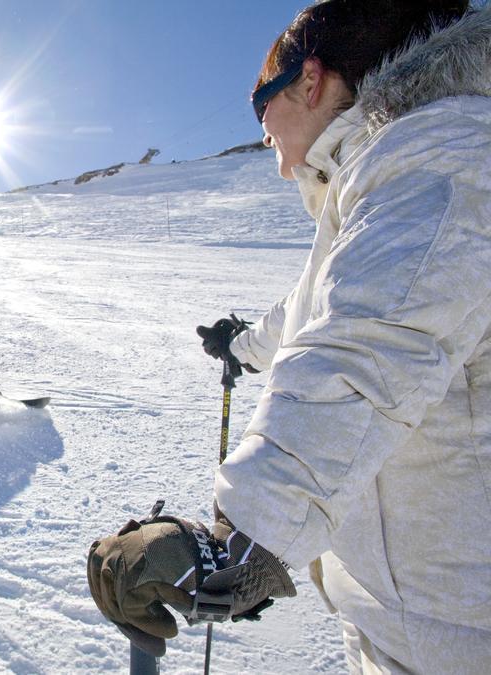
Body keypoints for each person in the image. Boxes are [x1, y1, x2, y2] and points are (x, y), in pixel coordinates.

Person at [87, 2, 491, 672]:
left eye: (262, 119)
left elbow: (365, 347)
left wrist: (242, 538)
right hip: (417, 615)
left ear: (309, 81)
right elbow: (314, 312)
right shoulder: (390, 169)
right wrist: (243, 342)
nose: (276, 160)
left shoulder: (444, 151)